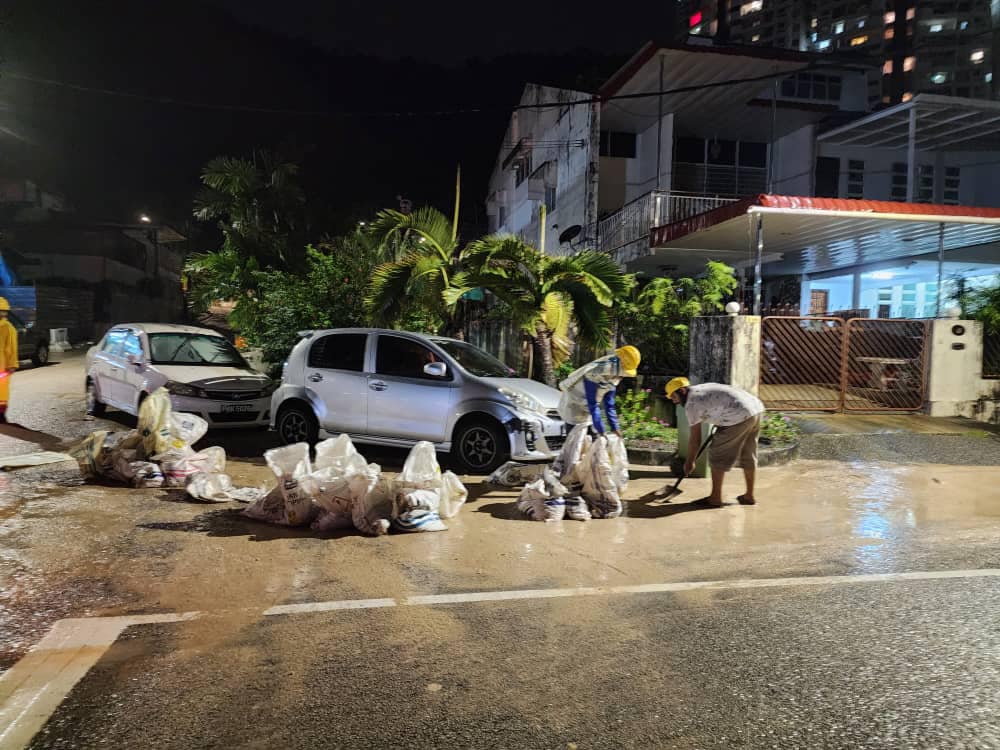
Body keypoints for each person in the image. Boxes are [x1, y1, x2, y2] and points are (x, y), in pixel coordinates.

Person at [665, 377, 764, 507]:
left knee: (716, 453)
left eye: (674, 397)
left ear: (682, 391)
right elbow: (721, 402)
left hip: (739, 415)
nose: (674, 401)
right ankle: (749, 496)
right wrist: (721, 421)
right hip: (755, 410)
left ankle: (715, 498)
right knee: (748, 453)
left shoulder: (692, 404)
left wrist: (690, 462)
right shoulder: (701, 389)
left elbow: (695, 439)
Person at [557, 346, 641, 437]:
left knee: (592, 439)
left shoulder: (614, 376)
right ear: (620, 366)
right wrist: (601, 430)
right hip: (573, 405)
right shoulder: (595, 373)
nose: (623, 376)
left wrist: (615, 428)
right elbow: (592, 404)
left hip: (587, 408)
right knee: (574, 441)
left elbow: (609, 405)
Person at [0, 297, 18, 424]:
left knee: (2, 392)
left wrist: (12, 365)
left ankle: (1, 414)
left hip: (2, 366)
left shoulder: (7, 327)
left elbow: (11, 348)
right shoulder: (7, 327)